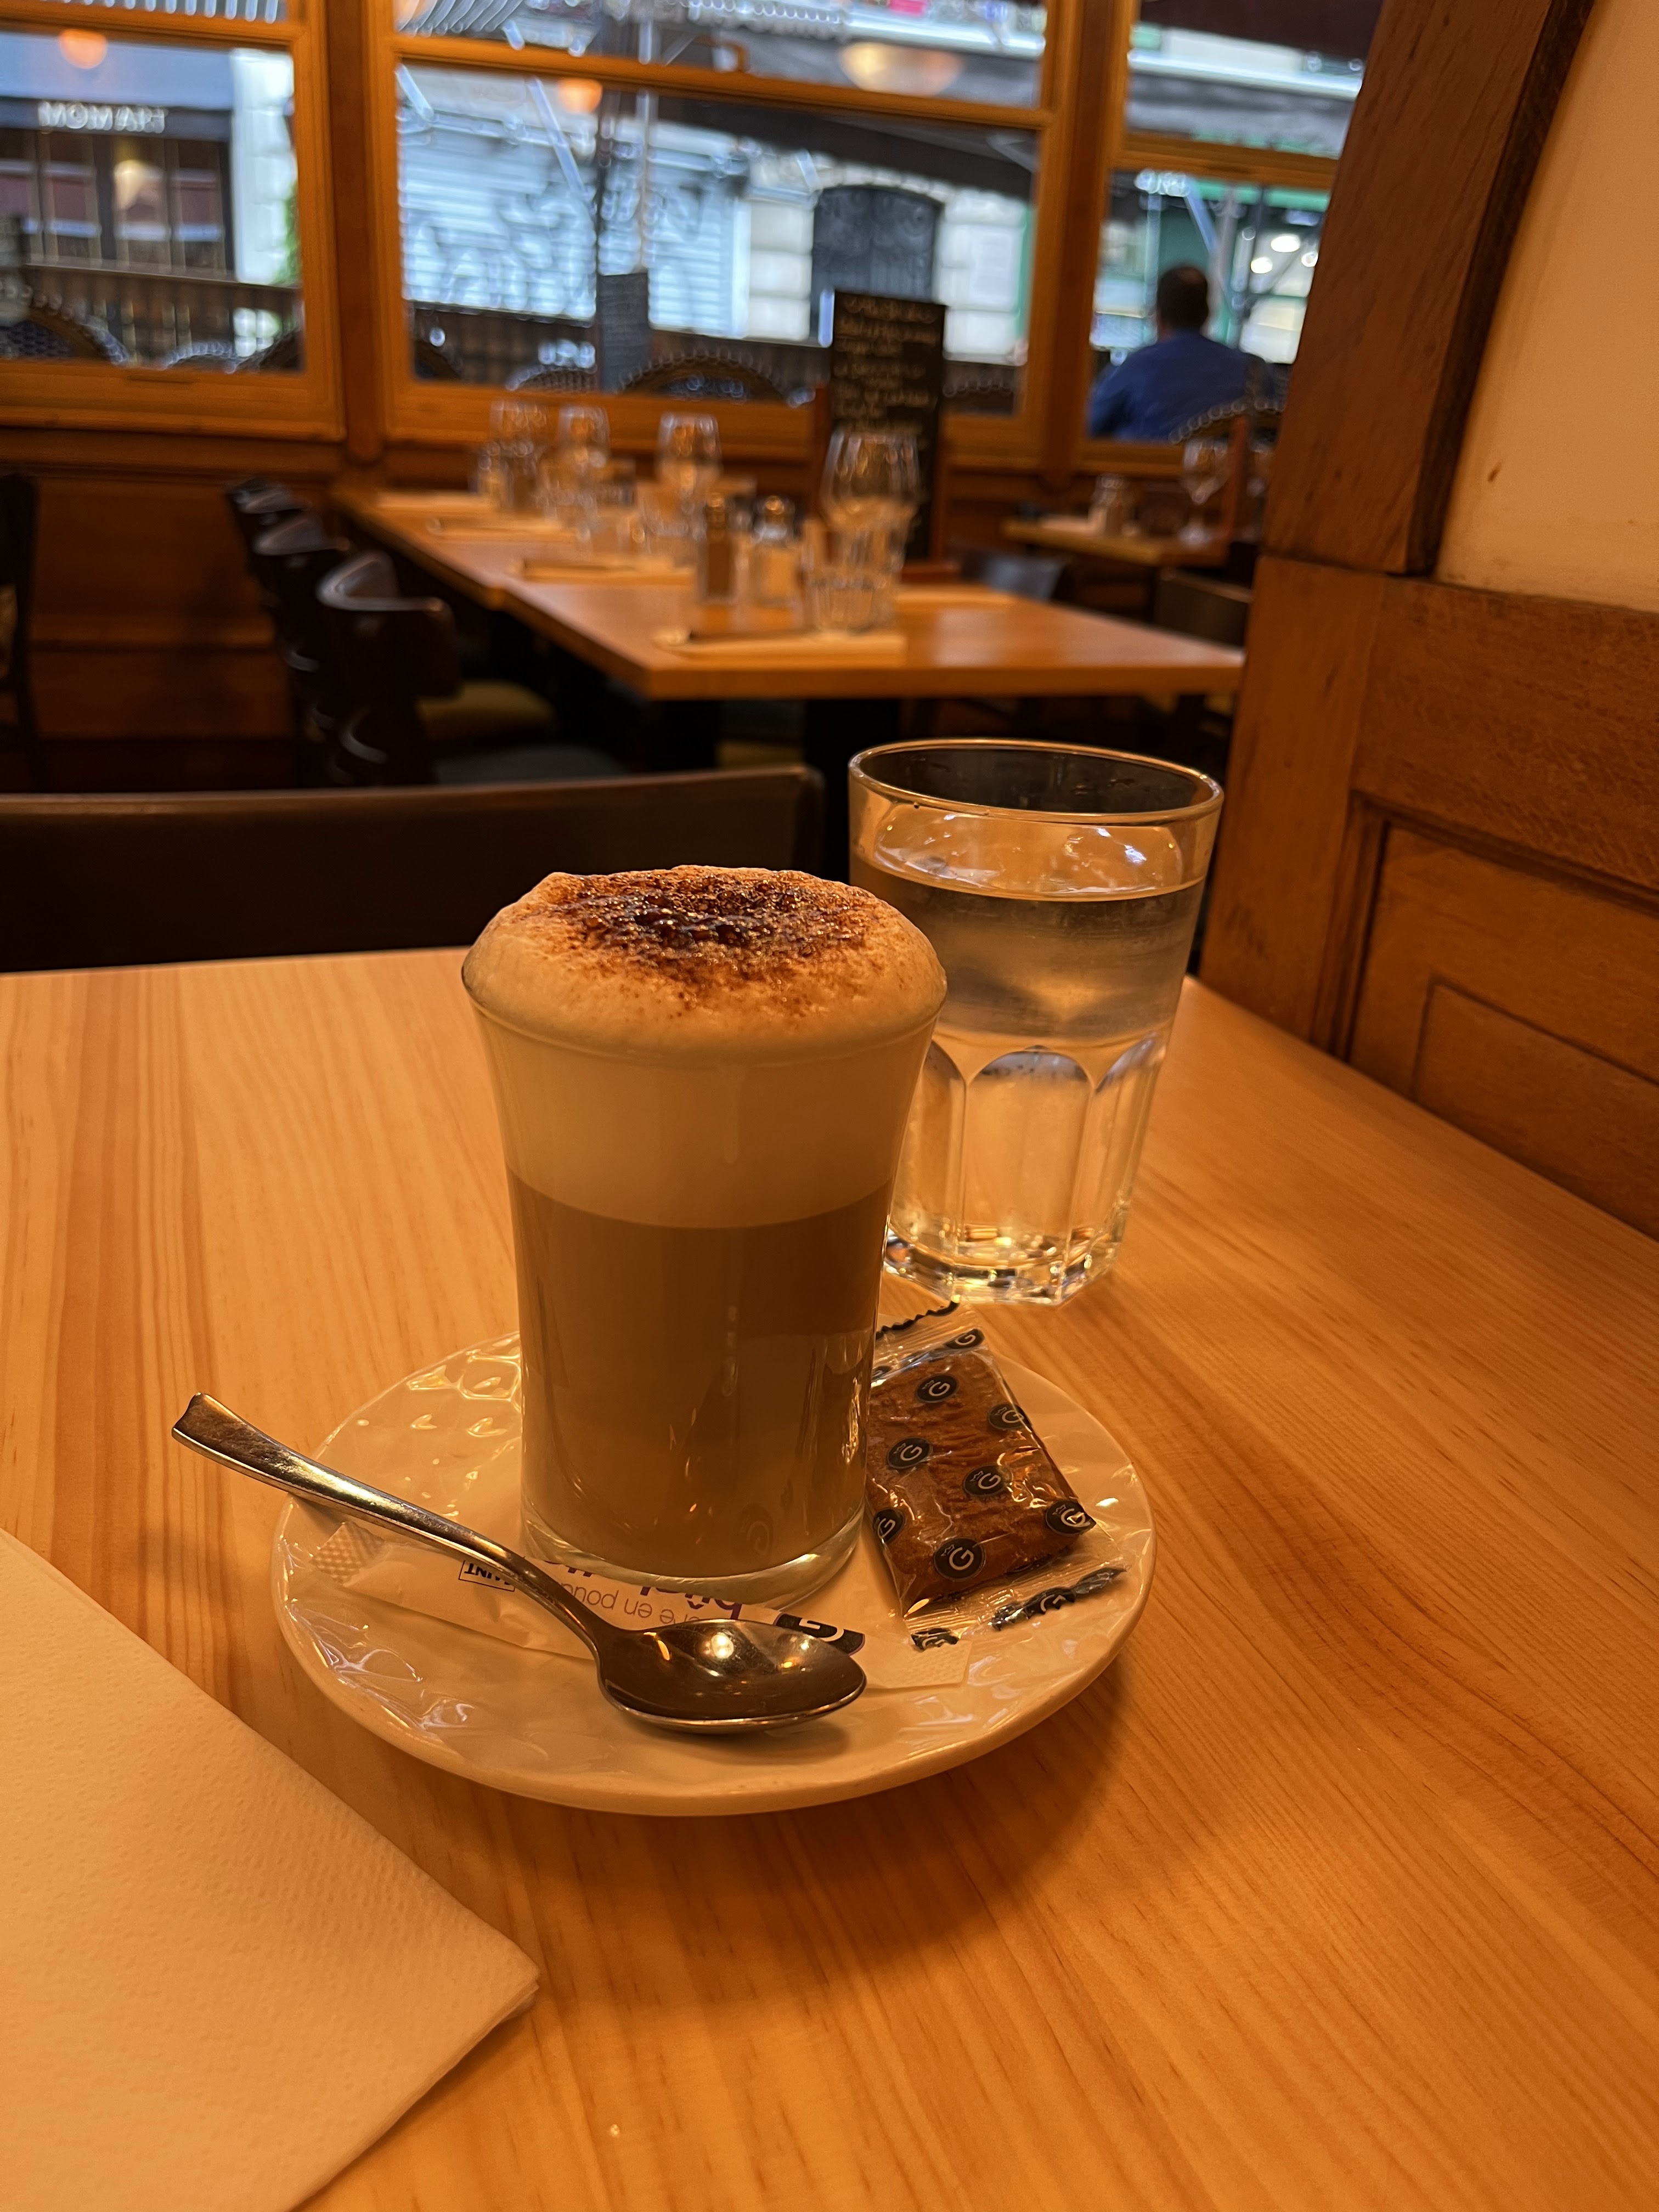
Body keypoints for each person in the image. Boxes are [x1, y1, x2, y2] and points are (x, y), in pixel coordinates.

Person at [1087, 264, 1254, 442]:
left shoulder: (1136, 368)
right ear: (1208, 315)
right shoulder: (1253, 371)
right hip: (1228, 461)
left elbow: (1087, 427)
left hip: (1146, 460)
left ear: (1158, 316)